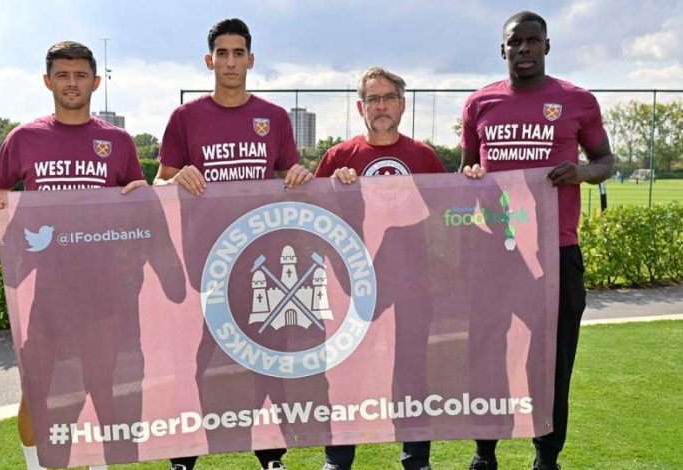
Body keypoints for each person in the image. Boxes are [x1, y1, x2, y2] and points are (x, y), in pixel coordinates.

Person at [0, 41, 148, 470]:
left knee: (105, 391)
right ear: (48, 81)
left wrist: (145, 197)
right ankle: (37, 466)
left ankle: (100, 465)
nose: (72, 83)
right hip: (46, 294)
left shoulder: (117, 141)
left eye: (80, 75)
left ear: (95, 82)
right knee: (36, 393)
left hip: (105, 295)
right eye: (62, 75)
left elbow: (137, 206)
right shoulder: (24, 138)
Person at [154, 18, 312, 470]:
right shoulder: (185, 118)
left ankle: (271, 455)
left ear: (250, 59)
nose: (230, 62)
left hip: (262, 262)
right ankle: (185, 455)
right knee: (202, 361)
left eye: (238, 53)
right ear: (209, 61)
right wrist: (175, 180)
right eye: (221, 54)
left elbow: (289, 178)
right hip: (206, 263)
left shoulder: (274, 117)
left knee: (267, 359)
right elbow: (159, 183)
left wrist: (300, 175)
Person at [460, 11, 614, 470]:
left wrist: (582, 172)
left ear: (547, 46)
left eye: (532, 41)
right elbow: (467, 171)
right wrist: (469, 178)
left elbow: (605, 161)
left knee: (551, 361)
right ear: (502, 49)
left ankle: (547, 457)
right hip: (494, 252)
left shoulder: (577, 100)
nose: (523, 49)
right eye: (515, 42)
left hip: (556, 251)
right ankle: (484, 453)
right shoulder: (479, 103)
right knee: (487, 355)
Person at [314, 67, 447, 470]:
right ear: (361, 107)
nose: (381, 106)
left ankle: (416, 459)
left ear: (403, 105)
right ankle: (338, 459)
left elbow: (449, 210)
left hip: (413, 283)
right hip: (355, 284)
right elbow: (315, 215)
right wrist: (335, 190)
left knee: (412, 371)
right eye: (373, 99)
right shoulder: (339, 157)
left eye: (389, 98)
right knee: (349, 372)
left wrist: (473, 179)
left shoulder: (424, 157)